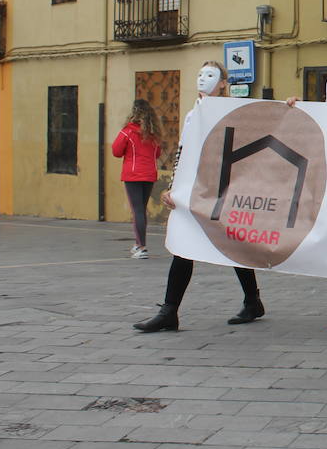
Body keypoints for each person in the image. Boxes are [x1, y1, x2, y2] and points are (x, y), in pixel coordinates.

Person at [134, 61, 265, 331]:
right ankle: (170, 310)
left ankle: (252, 301)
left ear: (222, 84)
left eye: (210, 75)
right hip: (195, 189)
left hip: (222, 190)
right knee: (184, 246)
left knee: (233, 245)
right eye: (200, 73)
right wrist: (173, 187)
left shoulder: (233, 112)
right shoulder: (193, 114)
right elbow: (184, 153)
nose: (202, 79)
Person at [113, 99, 163, 260]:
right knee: (141, 209)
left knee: (137, 210)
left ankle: (142, 247)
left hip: (133, 174)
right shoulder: (154, 134)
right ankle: (137, 243)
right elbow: (157, 154)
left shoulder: (127, 132)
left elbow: (116, 151)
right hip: (149, 174)